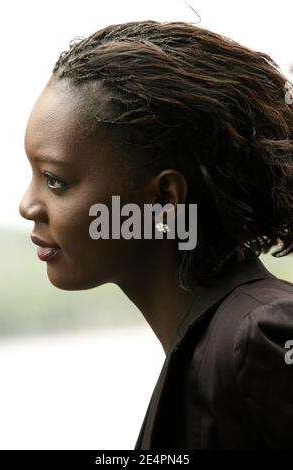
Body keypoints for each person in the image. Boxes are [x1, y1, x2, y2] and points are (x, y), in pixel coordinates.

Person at [19, 20, 293, 449]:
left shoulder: (260, 336)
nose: (28, 205)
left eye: (55, 180)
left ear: (164, 200)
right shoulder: (209, 342)